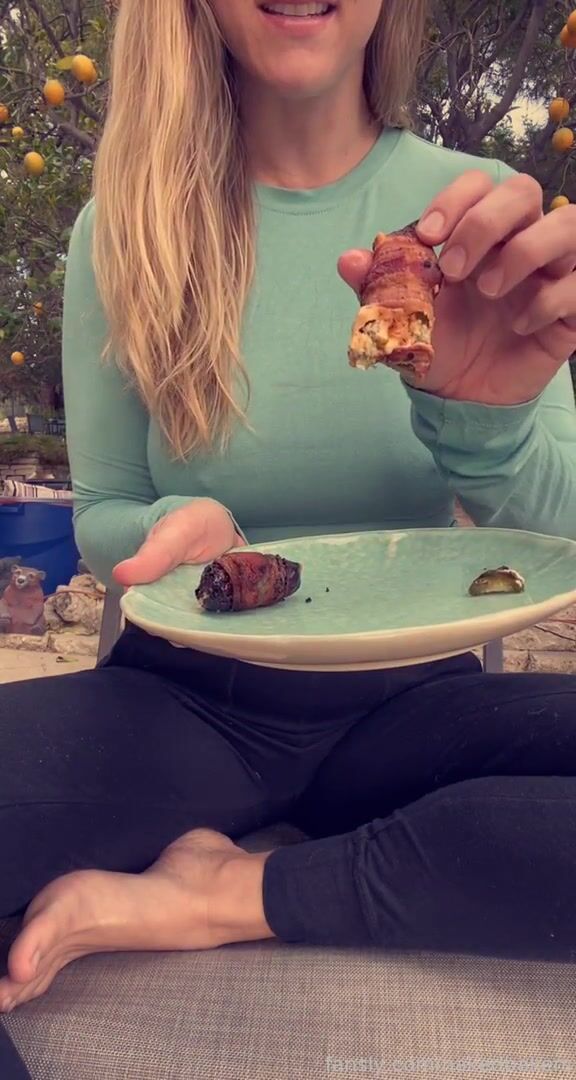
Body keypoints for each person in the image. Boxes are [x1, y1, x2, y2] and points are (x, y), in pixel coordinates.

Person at [2, 0, 576, 1071]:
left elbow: (561, 522)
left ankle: (229, 895)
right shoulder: (122, 228)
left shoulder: (473, 210)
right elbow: (106, 511)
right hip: (184, 704)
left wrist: (486, 424)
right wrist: (180, 522)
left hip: (421, 706)